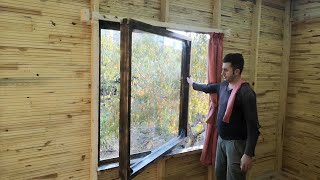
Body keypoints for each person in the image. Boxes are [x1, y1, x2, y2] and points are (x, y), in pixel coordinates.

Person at [187, 53, 260, 180]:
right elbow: (208, 88)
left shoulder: (246, 93)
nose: (222, 73)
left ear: (236, 71)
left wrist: (248, 154)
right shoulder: (223, 86)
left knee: (235, 177)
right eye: (222, 69)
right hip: (221, 140)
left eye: (225, 70)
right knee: (219, 174)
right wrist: (193, 84)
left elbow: (253, 127)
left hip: (236, 144)